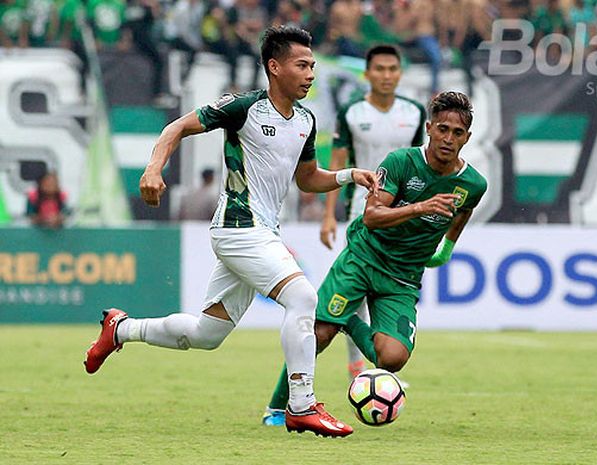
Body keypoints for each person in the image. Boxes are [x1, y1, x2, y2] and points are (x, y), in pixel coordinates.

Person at [83, 25, 378, 438]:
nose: (311, 73)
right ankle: (301, 405)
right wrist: (153, 169)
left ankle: (122, 328)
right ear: (274, 68)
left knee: (207, 334)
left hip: (262, 232)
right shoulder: (243, 108)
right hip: (239, 227)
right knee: (303, 296)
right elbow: (176, 128)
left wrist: (349, 175)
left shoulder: (306, 121)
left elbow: (308, 178)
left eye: (312, 65)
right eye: (302, 65)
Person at [263, 91, 487, 426]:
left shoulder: (474, 183)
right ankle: (278, 409)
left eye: (457, 133)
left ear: (467, 138)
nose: (448, 138)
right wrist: (420, 207)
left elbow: (463, 212)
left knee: (393, 358)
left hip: (403, 276)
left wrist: (447, 247)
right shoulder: (399, 162)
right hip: (363, 257)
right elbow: (372, 215)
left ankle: (349, 321)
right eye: (442, 129)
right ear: (429, 128)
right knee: (319, 334)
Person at [307, 43, 424, 419]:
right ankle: (361, 370)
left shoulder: (414, 113)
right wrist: (329, 216)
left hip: (400, 220)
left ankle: (366, 368)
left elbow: (422, 163)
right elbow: (336, 164)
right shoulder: (352, 112)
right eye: (380, 69)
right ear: (368, 73)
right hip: (363, 213)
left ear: (400, 73)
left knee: (379, 299)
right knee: (353, 296)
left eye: (393, 69)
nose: (386, 75)